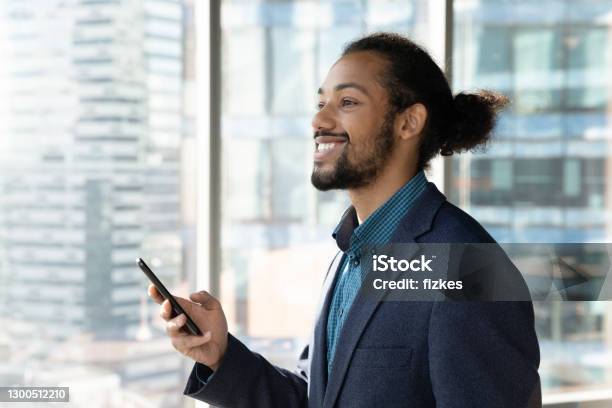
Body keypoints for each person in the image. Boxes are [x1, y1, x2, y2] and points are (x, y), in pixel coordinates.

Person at [148, 32, 541, 407]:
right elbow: (316, 398)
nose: (320, 121)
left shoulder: (469, 268)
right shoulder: (349, 254)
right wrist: (221, 356)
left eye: (347, 102)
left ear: (408, 122)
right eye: (321, 103)